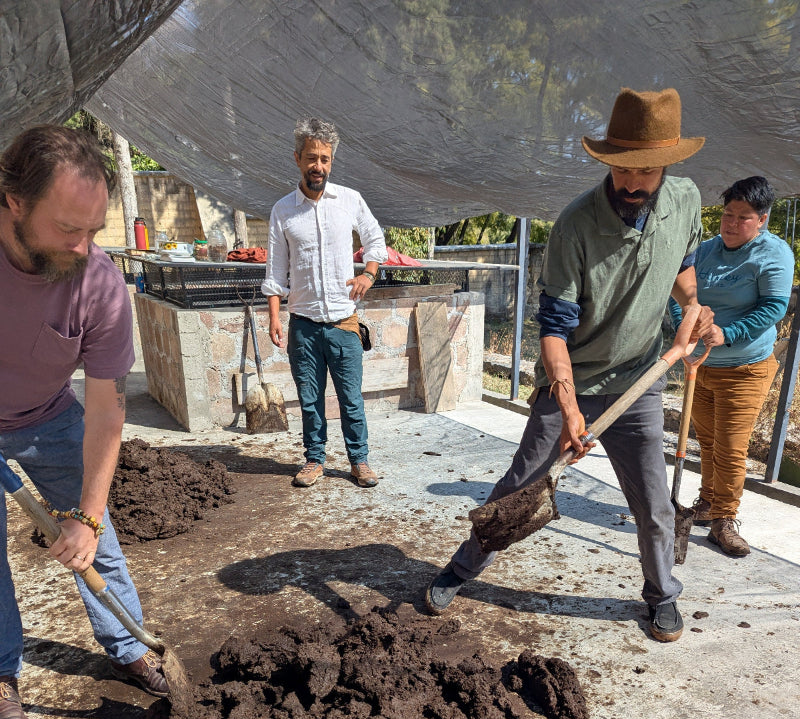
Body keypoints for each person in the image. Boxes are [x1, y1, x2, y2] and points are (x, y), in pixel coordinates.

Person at [425, 86, 714, 643]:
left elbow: (682, 269)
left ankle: (661, 596)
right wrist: (568, 403)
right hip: (573, 380)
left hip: (639, 380)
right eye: (619, 168)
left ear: (666, 165)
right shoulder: (575, 225)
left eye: (644, 171)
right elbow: (553, 328)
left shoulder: (684, 200)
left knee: (654, 504)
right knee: (520, 488)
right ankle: (461, 569)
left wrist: (694, 309)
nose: (629, 182)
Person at [0, 125, 168, 719]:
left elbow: (105, 410)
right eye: (69, 229)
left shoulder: (97, 282)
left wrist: (87, 520)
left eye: (94, 229)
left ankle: (130, 643)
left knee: (100, 540)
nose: (84, 246)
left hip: (50, 417)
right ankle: (0, 674)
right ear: (15, 203)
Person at [262, 117, 387, 489]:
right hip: (303, 325)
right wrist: (273, 317)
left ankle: (359, 460)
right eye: (312, 158)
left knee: (350, 399)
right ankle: (314, 460)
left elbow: (375, 238)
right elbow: (275, 269)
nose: (319, 166)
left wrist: (369, 273)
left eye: (326, 159)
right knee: (310, 399)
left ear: (331, 162)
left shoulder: (350, 201)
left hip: (344, 324)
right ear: (298, 158)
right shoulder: (283, 211)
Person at [672, 176, 794, 557]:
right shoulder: (706, 251)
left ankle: (725, 519)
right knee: (706, 442)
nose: (731, 223)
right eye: (727, 214)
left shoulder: (773, 254)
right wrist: (686, 329)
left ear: (762, 220)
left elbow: (774, 307)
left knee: (731, 446)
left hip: (745, 366)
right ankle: (708, 504)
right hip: (701, 365)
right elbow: (681, 294)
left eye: (743, 217)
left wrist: (729, 333)